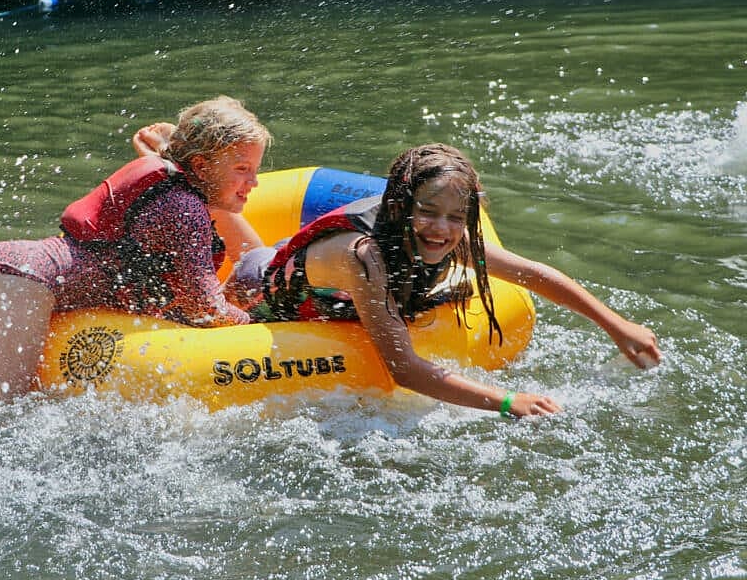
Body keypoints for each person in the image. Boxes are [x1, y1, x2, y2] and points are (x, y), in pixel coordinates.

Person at [231, 143, 662, 418]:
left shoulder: (445, 231)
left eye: (456, 217)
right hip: (263, 289)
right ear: (400, 207)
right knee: (245, 274)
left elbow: (529, 273)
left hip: (332, 289)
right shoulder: (364, 257)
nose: (442, 228)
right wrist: (508, 401)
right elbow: (403, 370)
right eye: (430, 212)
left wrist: (616, 326)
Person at [0, 96, 271, 408]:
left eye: (255, 170)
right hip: (22, 284)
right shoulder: (183, 208)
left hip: (2, 269)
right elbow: (206, 309)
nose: (253, 182)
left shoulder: (170, 189)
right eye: (241, 169)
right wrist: (262, 323)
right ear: (199, 165)